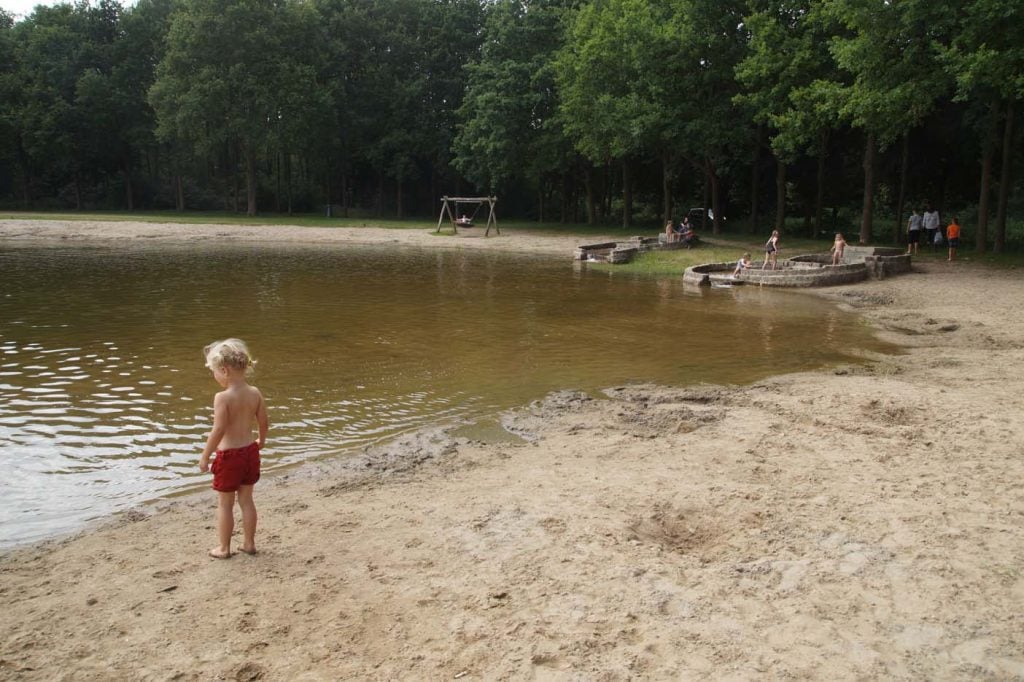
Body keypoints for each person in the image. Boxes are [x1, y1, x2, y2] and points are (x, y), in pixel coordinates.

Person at [199, 338, 269, 559]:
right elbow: (264, 421)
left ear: (224, 370)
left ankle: (224, 548)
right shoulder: (255, 392)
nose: (215, 377)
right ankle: (249, 543)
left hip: (229, 456)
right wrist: (262, 441)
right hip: (250, 452)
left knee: (225, 504)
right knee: (246, 500)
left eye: (214, 372)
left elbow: (218, 429)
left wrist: (205, 456)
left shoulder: (222, 397)